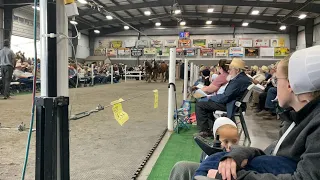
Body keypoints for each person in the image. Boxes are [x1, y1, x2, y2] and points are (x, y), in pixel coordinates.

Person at [195, 46, 320, 180]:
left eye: (277, 80)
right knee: (184, 167)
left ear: (290, 84)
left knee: (202, 167)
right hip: (264, 169)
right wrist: (237, 155)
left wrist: (235, 176)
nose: (275, 86)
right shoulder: (296, 117)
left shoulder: (313, 125)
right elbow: (269, 152)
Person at [169, 117, 239, 180]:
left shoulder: (241, 156)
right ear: (215, 139)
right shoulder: (207, 152)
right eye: (225, 141)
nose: (230, 146)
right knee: (180, 167)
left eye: (234, 141)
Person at [196, 58, 252, 137]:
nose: (229, 71)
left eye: (230, 69)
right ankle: (210, 128)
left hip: (231, 105)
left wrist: (210, 98)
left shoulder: (237, 81)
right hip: (236, 104)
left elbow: (225, 97)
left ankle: (205, 130)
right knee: (205, 103)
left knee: (200, 103)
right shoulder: (243, 78)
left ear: (237, 70)